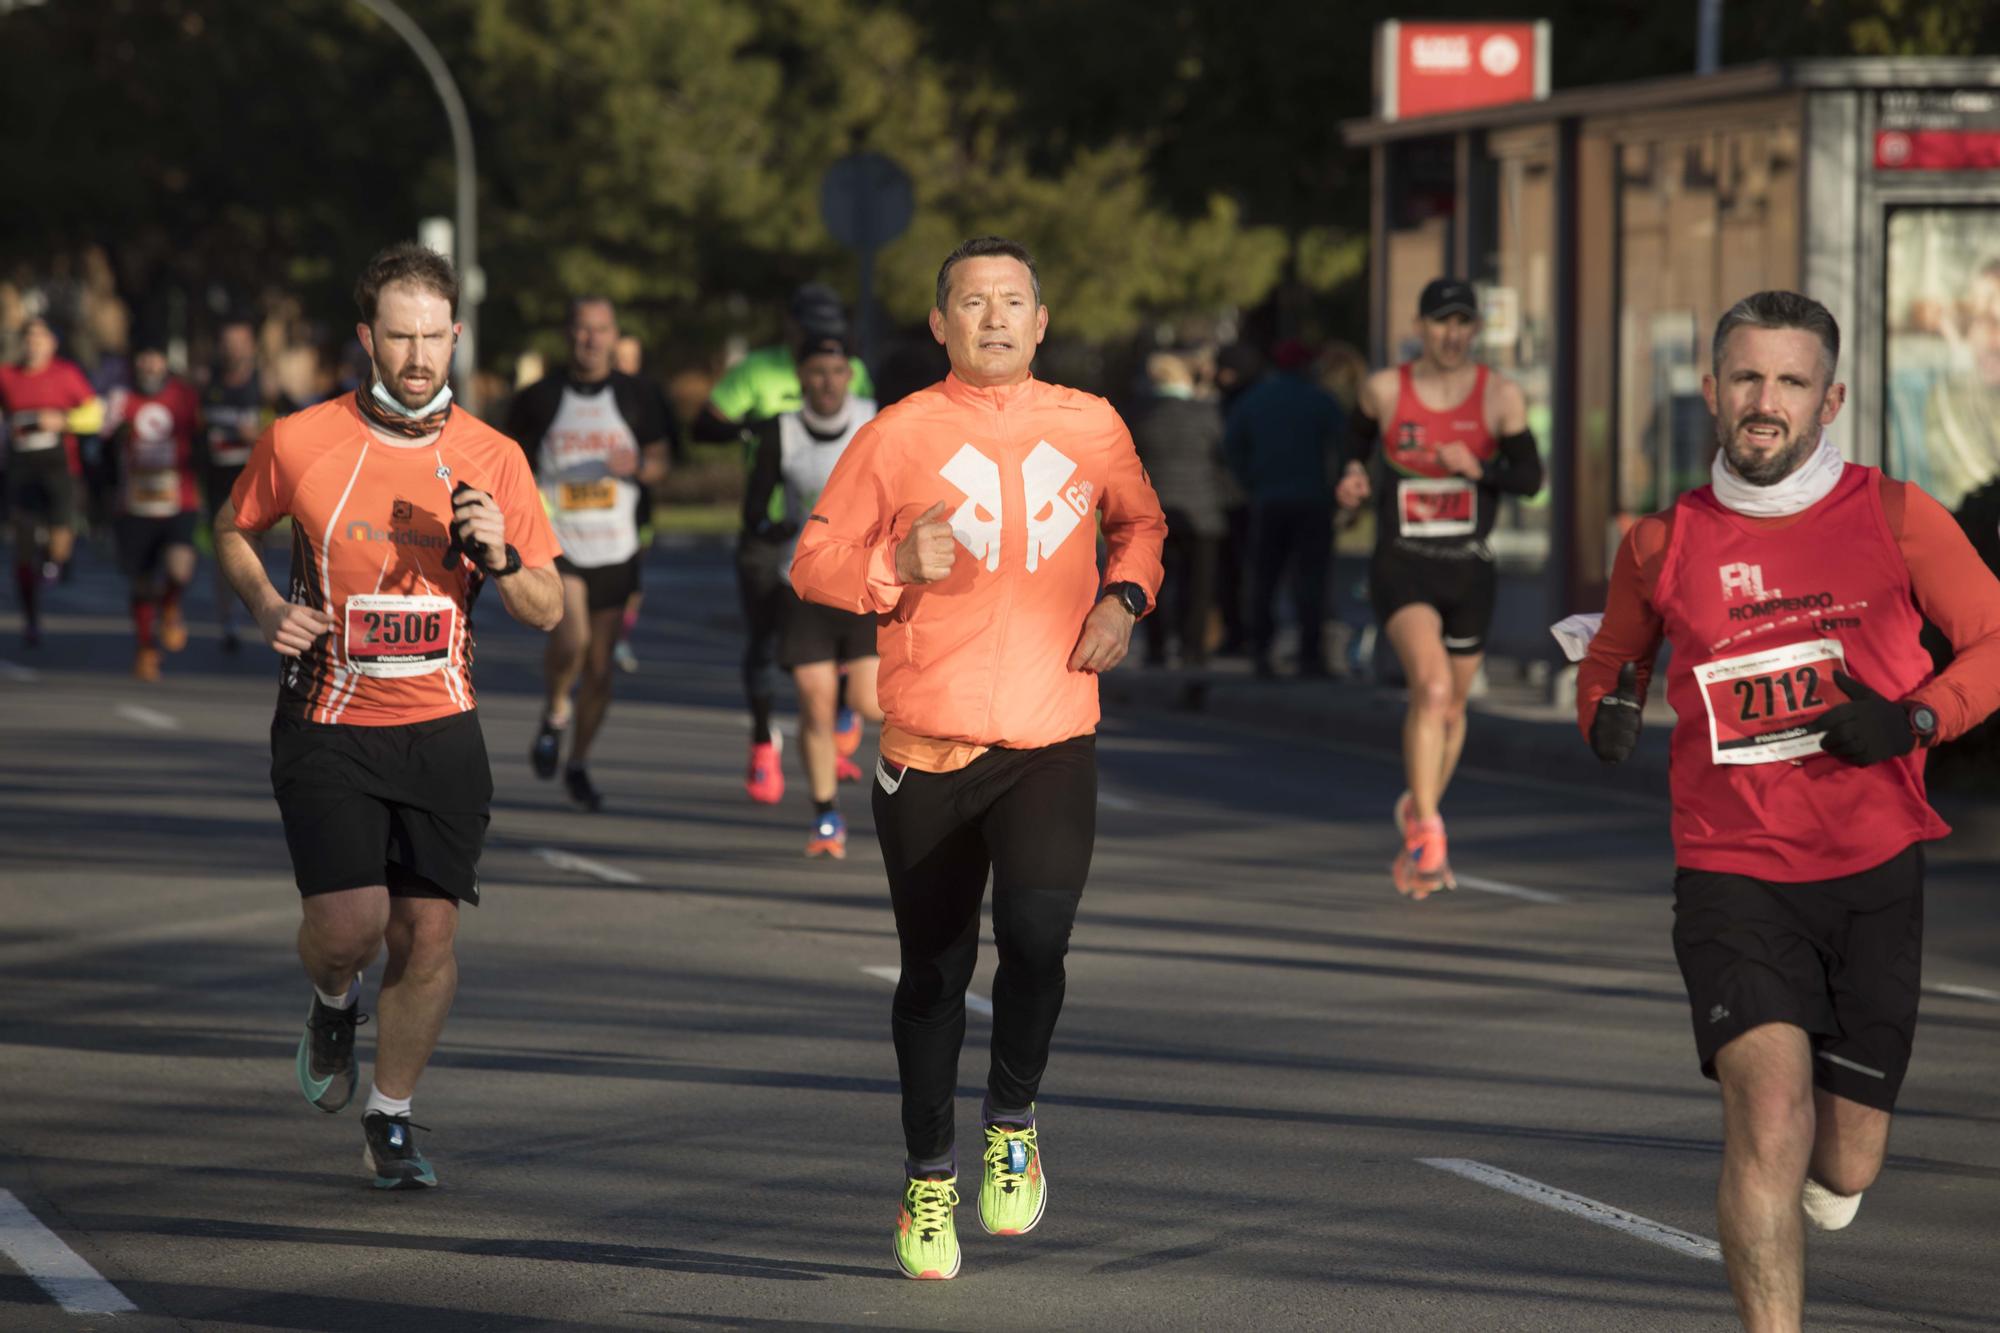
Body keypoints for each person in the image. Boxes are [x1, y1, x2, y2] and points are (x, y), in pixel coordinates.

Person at [1579, 290, 2000, 1332]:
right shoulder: (1659, 541)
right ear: (1713, 390)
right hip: (1729, 867)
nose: (1764, 401)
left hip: (1870, 864)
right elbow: (1609, 653)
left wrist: (1912, 720)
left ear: (1830, 399)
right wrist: (1603, 706)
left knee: (1844, 1152)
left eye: (1790, 382)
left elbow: (1994, 641)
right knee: (1767, 1112)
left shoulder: (1897, 516)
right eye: (1745, 378)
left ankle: (1836, 1177)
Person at [792, 236, 1165, 1280]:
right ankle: (925, 1179)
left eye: (1011, 302)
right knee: (936, 971)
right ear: (939, 324)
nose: (993, 318)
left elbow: (1141, 522)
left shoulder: (1088, 424)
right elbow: (813, 561)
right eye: (971, 302)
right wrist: (889, 562)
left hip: (1050, 736)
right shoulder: (898, 435)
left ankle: (1011, 1121)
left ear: (1040, 322)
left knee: (1037, 940)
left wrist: (1124, 597)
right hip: (928, 746)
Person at [215, 243, 563, 1189]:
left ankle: (393, 1113)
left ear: (457, 335)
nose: (418, 355)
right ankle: (334, 999)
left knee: (430, 937)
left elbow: (547, 605)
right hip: (328, 721)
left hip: (442, 729)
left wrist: (499, 554)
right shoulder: (300, 439)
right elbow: (234, 528)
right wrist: (262, 606)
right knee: (349, 927)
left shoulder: (494, 457)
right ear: (368, 337)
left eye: (434, 337)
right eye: (399, 336)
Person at [1337, 279, 1542, 897]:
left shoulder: (1499, 397)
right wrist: (1350, 476)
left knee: (1452, 707)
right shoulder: (1384, 390)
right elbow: (1352, 448)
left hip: (1469, 566)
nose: (1452, 336)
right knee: (1427, 688)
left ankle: (1418, 804)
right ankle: (1427, 829)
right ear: (1421, 326)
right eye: (1440, 323)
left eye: (1463, 324)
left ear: (1475, 330)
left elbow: (1530, 478)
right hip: (1402, 561)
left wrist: (1479, 469)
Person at [696, 283, 877, 803]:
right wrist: (752, 430)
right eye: (813, 334)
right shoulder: (756, 370)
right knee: (765, 638)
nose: (827, 372)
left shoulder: (856, 376)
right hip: (772, 526)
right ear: (792, 331)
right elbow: (704, 427)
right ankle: (761, 739)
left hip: (842, 544)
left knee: (833, 649)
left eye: (833, 337)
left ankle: (838, 708)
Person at [506, 297, 673, 811]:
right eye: (582, 330)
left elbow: (661, 462)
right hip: (560, 543)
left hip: (618, 546)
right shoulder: (539, 397)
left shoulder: (639, 395)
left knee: (600, 668)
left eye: (600, 330)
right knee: (572, 637)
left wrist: (638, 465)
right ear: (568, 334)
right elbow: (508, 461)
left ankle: (577, 761)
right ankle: (556, 710)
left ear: (614, 335)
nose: (591, 340)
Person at [742, 333, 880, 857]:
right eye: (817, 372)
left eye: (837, 371)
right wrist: (774, 527)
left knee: (870, 701)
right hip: (803, 584)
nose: (827, 382)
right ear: (801, 378)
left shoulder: (876, 419)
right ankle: (826, 815)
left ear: (850, 376)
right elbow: (754, 507)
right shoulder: (783, 431)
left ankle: (855, 700)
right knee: (813, 706)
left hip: (866, 581)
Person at [1225, 338, 1344, 678]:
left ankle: (1261, 652)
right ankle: (1311, 655)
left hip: (1268, 499)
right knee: (1311, 581)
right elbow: (1343, 445)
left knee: (1264, 580)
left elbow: (1231, 446)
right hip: (1313, 500)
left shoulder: (1255, 400)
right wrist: (1337, 490)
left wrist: (1250, 481)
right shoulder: (1320, 400)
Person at [0, 315, 103, 646]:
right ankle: (31, 619)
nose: (34, 343)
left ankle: (55, 559)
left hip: (59, 466)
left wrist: (62, 420)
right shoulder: (7, 375)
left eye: (41, 337)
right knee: (23, 544)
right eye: (28, 337)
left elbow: (95, 414)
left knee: (60, 535)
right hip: (20, 468)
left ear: (52, 343)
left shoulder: (65, 374)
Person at [1130, 350, 1225, 701]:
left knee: (1153, 584)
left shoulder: (1141, 416)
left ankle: (1156, 648)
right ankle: (1194, 652)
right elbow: (1222, 454)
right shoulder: (1206, 414)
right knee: (1198, 589)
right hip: (1202, 513)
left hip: (1154, 512)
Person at [105, 339, 202, 679]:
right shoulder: (120, 399)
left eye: (155, 358)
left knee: (180, 569)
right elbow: (101, 446)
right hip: (134, 504)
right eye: (143, 358)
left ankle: (172, 605)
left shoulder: (184, 396)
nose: (149, 365)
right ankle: (146, 647)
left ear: (165, 362)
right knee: (142, 583)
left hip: (179, 499)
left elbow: (203, 439)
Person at [201, 317, 274, 652]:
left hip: (256, 477)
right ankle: (227, 620)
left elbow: (295, 426)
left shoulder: (265, 385)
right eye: (227, 343)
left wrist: (258, 435)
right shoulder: (207, 383)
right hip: (218, 477)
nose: (233, 350)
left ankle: (257, 608)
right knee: (224, 546)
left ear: (251, 346)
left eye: (239, 343)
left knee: (253, 546)